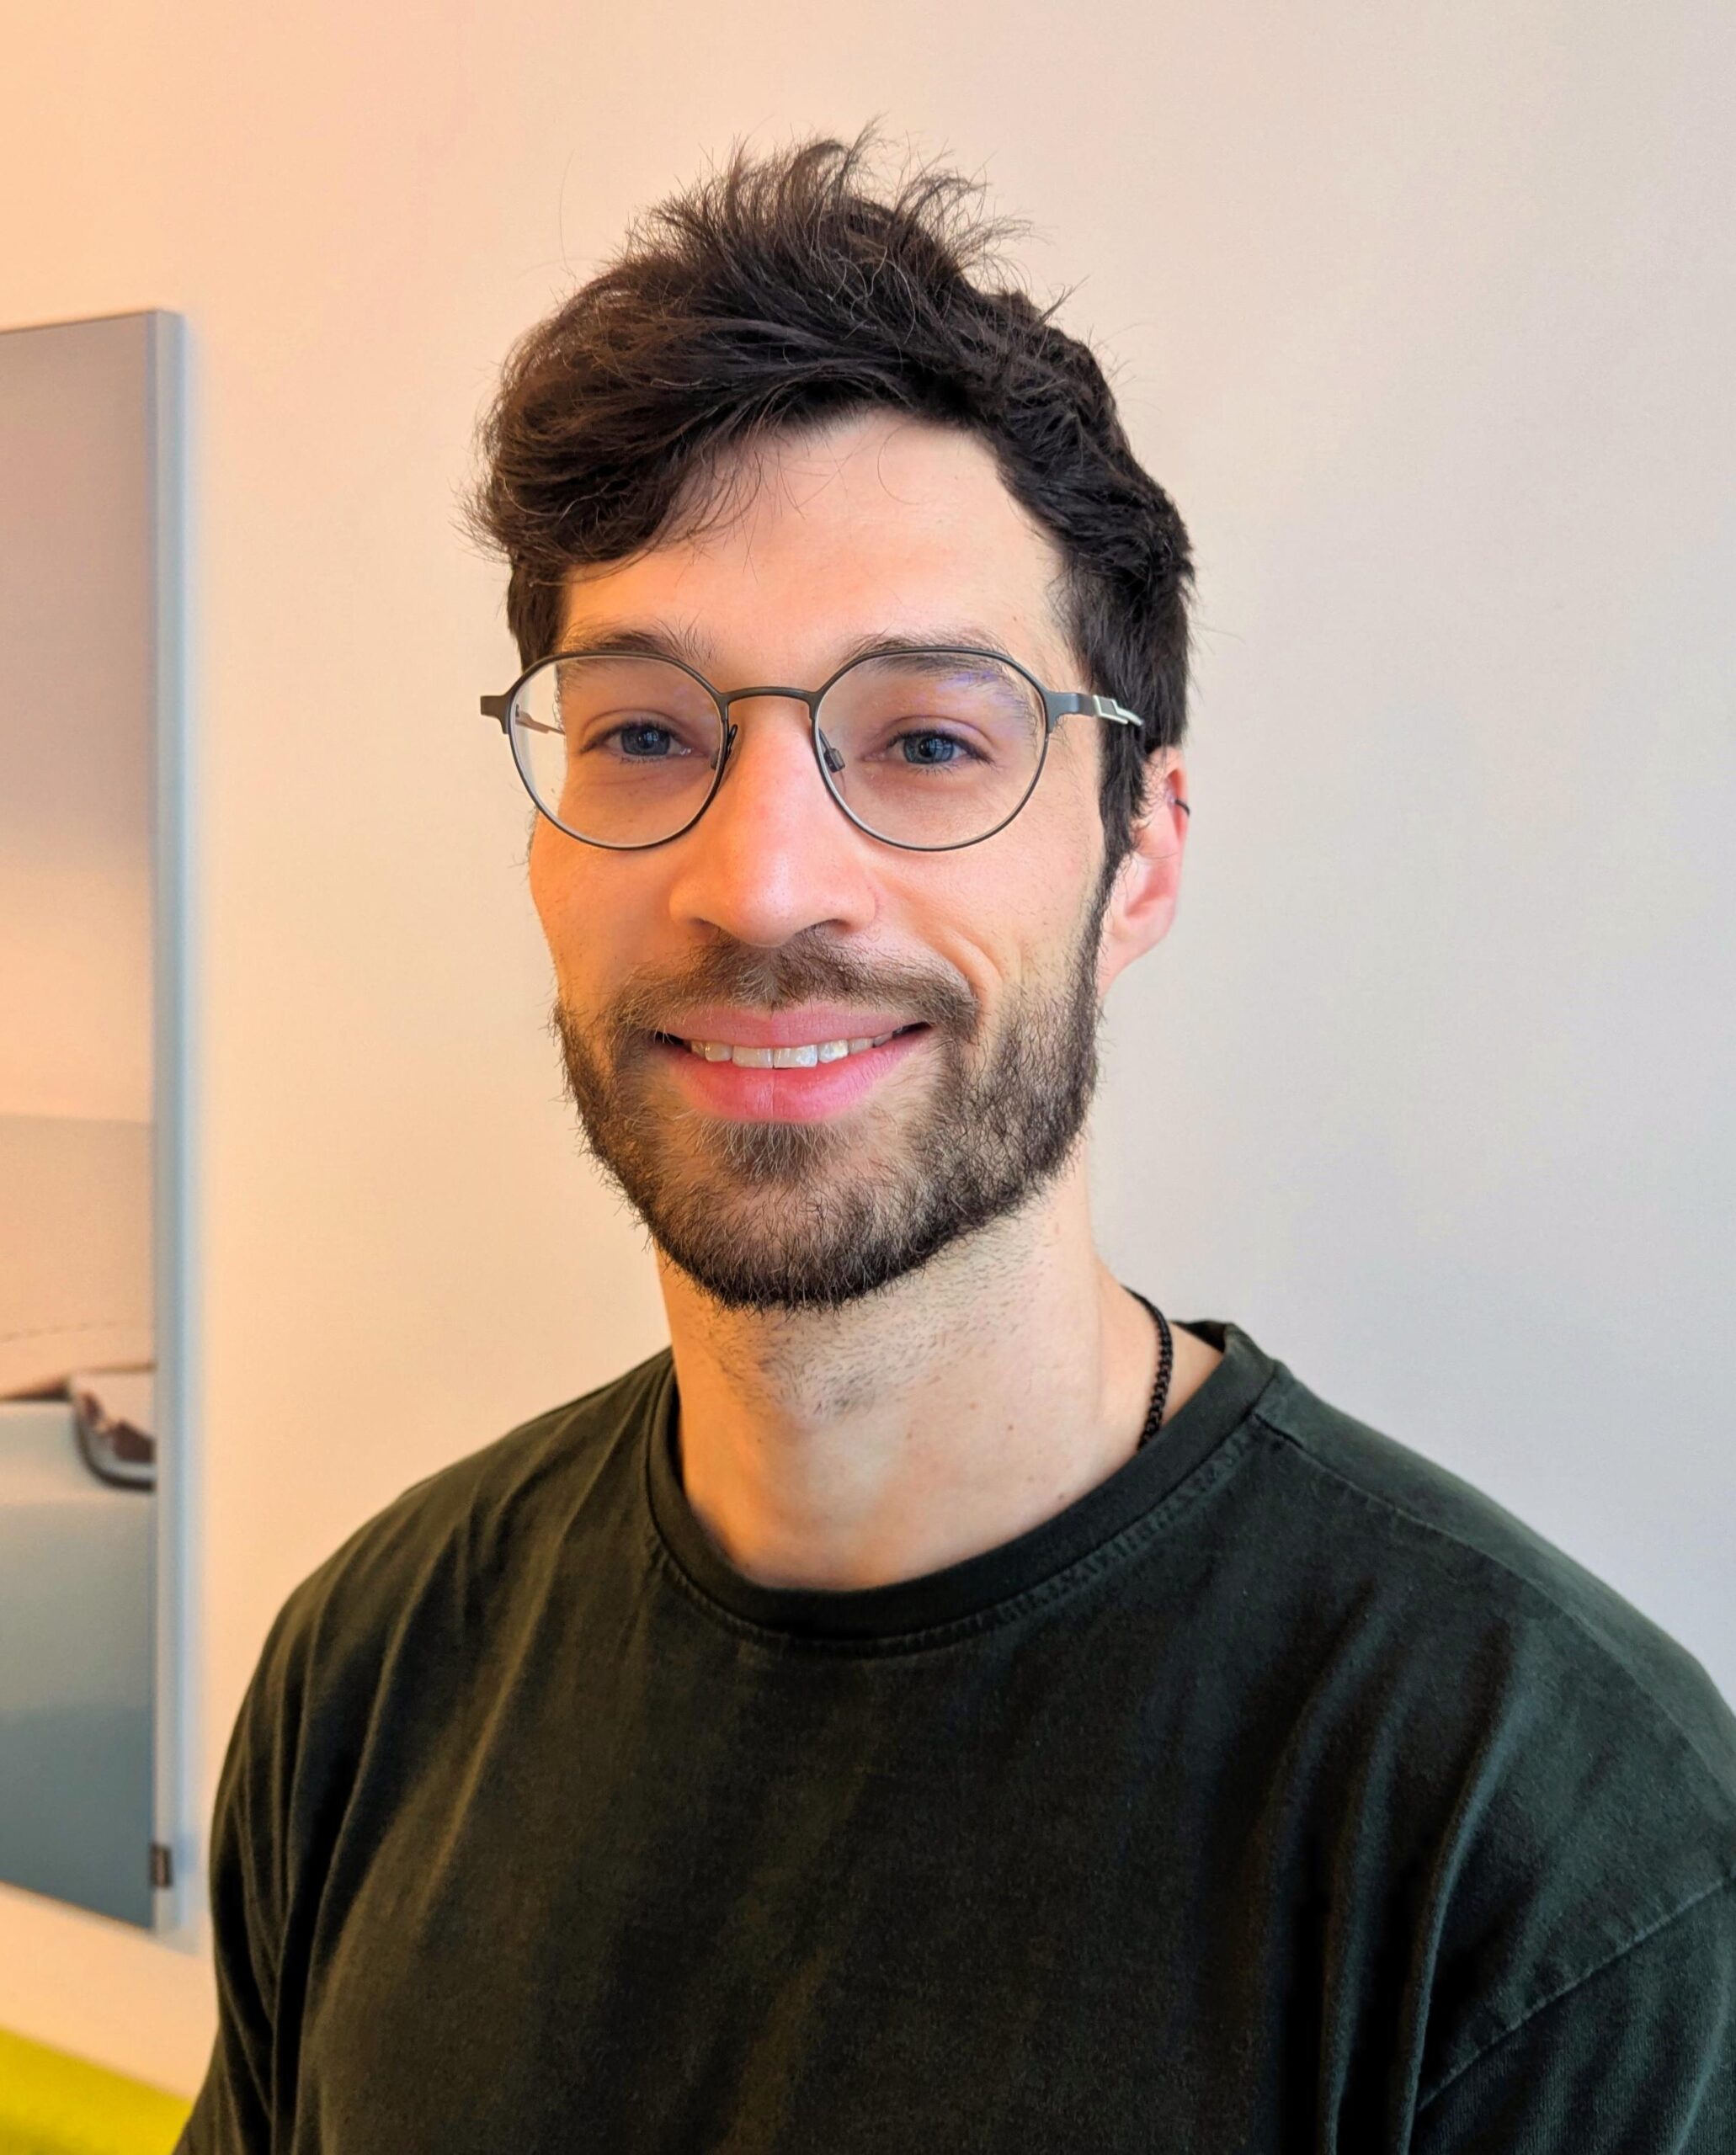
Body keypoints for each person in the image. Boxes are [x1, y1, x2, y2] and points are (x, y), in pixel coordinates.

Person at [180, 138, 1736, 2152]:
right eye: (642, 731)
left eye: (926, 738)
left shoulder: (1543, 1860)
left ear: (1137, 851)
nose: (759, 880)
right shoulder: (371, 1673)